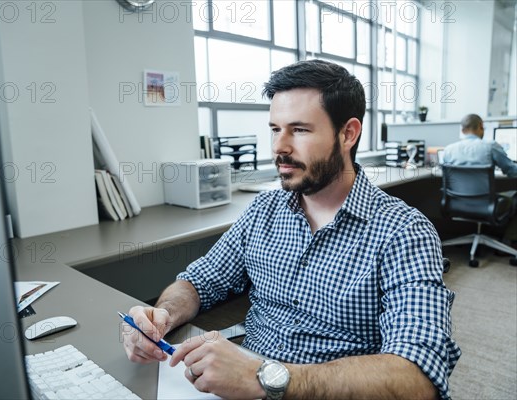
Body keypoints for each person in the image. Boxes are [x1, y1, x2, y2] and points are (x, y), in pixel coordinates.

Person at [122, 59, 461, 400]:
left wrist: (265, 378)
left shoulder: (404, 232)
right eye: (275, 129)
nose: (279, 147)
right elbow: (200, 281)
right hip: (238, 382)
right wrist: (163, 314)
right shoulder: (262, 211)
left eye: (299, 130)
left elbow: (419, 376)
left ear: (348, 133)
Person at [443, 114, 517, 248]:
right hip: (486, 206)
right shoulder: (490, 146)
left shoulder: (448, 150)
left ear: (463, 129)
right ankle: (508, 241)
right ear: (481, 127)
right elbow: (512, 171)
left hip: (456, 203)